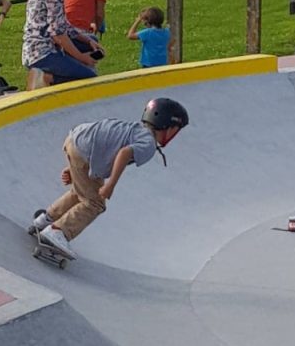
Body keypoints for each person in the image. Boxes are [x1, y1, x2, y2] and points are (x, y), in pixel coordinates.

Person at [31, 98, 189, 257]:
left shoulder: (135, 129)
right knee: (95, 203)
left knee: (82, 192)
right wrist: (111, 184)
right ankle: (58, 231)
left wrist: (73, 168)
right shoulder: (148, 143)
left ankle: (46, 219)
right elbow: (124, 153)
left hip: (77, 141)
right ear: (167, 127)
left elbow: (106, 143)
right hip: (84, 152)